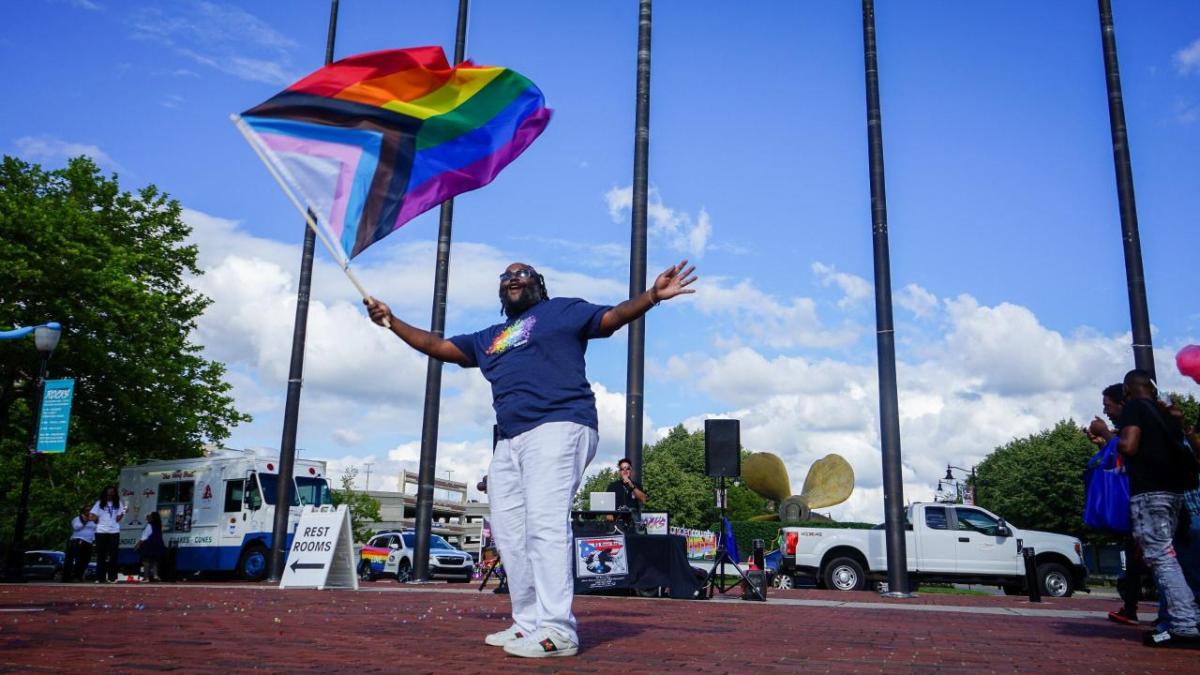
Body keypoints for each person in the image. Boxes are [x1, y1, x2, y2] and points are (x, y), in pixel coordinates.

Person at [365, 259, 697, 658]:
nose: (512, 278)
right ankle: (528, 623)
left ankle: (559, 631)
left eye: (521, 274)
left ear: (539, 285)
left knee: (543, 525)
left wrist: (651, 297)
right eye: (505, 277)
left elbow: (609, 319)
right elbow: (440, 348)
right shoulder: (491, 337)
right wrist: (392, 321)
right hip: (509, 440)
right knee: (508, 533)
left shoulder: (561, 311)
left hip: (560, 424)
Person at [1116, 369, 1200, 646]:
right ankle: (1187, 618)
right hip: (1174, 492)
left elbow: (1129, 445)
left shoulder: (1135, 408)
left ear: (1129, 389)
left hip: (1150, 492)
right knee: (1169, 556)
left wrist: (1109, 435)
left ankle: (1185, 625)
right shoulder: (1167, 414)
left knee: (1161, 557)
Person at [1085, 384, 1145, 626]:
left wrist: (1107, 435)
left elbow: (1129, 451)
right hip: (1137, 500)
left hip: (1145, 499)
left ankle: (1168, 613)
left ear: (1123, 402)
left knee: (1150, 556)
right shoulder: (1127, 425)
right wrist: (1103, 442)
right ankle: (1131, 606)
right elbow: (1116, 458)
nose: (1105, 410)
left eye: (1108, 405)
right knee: (1137, 555)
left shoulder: (1135, 423)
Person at [90, 485, 126, 583]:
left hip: (114, 531)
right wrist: (96, 520)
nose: (110, 494)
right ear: (105, 493)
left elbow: (118, 518)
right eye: (109, 492)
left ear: (114, 494)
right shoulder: (99, 503)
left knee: (113, 555)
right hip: (101, 531)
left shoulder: (118, 503)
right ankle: (99, 577)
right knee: (101, 555)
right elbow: (92, 515)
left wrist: (123, 513)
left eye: (112, 492)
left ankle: (112, 577)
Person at [62, 506, 96, 582]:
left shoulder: (93, 520)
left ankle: (78, 576)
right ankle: (66, 578)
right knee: (74, 560)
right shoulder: (77, 519)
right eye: (87, 510)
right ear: (83, 512)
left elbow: (94, 530)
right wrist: (85, 521)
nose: (89, 512)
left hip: (88, 542)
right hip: (77, 541)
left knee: (85, 561)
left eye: (91, 510)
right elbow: (76, 527)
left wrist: (94, 541)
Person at [136, 511, 166, 582]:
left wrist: (137, 545)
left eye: (149, 516)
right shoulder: (158, 525)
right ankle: (155, 576)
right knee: (155, 561)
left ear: (152, 518)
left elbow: (144, 537)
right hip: (158, 545)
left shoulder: (150, 525)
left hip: (149, 545)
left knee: (146, 561)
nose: (148, 517)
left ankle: (146, 577)